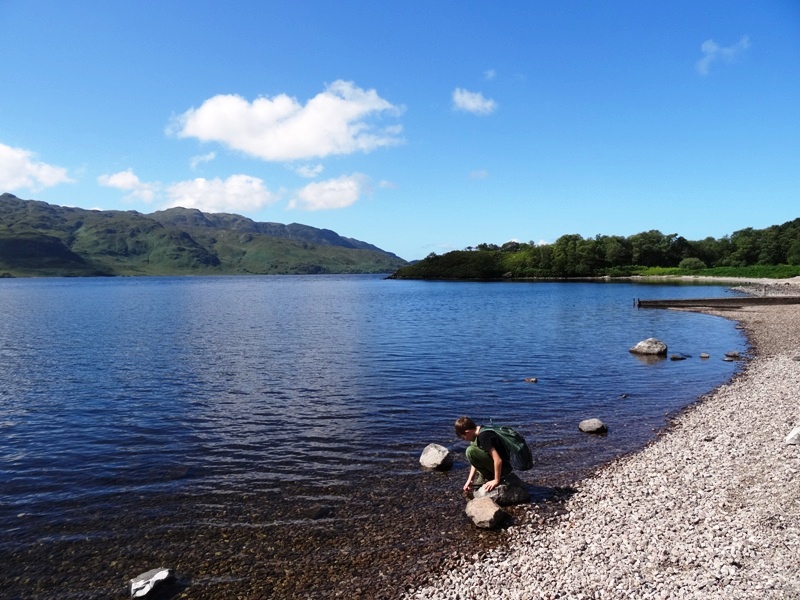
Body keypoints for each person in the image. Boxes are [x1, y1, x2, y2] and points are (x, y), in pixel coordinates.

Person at [454, 416, 513, 492]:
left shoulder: (483, 437)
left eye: (463, 437)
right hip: (504, 466)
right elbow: (475, 460)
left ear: (467, 432)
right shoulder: (480, 430)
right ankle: (486, 475)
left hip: (504, 468)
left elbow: (498, 460)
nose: (464, 440)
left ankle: (490, 476)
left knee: (470, 451)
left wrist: (496, 480)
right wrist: (470, 480)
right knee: (473, 447)